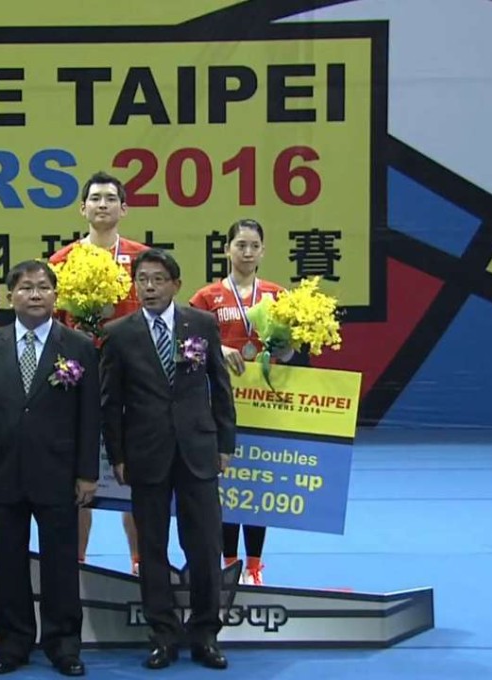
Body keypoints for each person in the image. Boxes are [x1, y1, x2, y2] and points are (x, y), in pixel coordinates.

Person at [100, 249, 235, 671]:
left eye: (158, 279)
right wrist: (117, 455)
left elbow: (220, 385)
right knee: (152, 548)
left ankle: (206, 633)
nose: (150, 287)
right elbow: (110, 402)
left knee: (204, 545)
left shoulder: (202, 324)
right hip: (145, 454)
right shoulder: (119, 333)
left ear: (176, 284)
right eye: (142, 280)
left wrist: (225, 443)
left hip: (198, 450)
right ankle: (162, 635)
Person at [0, 260, 99, 677]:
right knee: (8, 561)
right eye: (26, 288)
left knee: (60, 561)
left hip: (59, 472)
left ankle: (64, 643)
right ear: (11, 296)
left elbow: (89, 417)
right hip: (4, 470)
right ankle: (13, 641)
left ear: (55, 295)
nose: (35, 294)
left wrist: (86, 473)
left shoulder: (77, 346)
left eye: (43, 287)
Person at [49, 171, 148, 575]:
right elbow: (50, 322)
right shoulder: (62, 261)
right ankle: (78, 566)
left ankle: (142, 563)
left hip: (131, 383)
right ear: (82, 208)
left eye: (111, 198)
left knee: (135, 480)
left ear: (124, 209)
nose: (103, 204)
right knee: (78, 481)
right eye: (95, 198)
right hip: (75, 384)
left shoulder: (143, 258)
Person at [188, 218, 294, 586]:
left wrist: (288, 348)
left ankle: (255, 565)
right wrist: (219, 347)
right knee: (226, 481)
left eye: (253, 246)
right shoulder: (206, 298)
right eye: (240, 245)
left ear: (263, 250)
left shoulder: (278, 296)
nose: (247, 252)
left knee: (260, 483)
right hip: (217, 402)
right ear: (226, 249)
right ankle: (229, 560)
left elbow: (293, 353)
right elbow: (189, 344)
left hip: (265, 404)